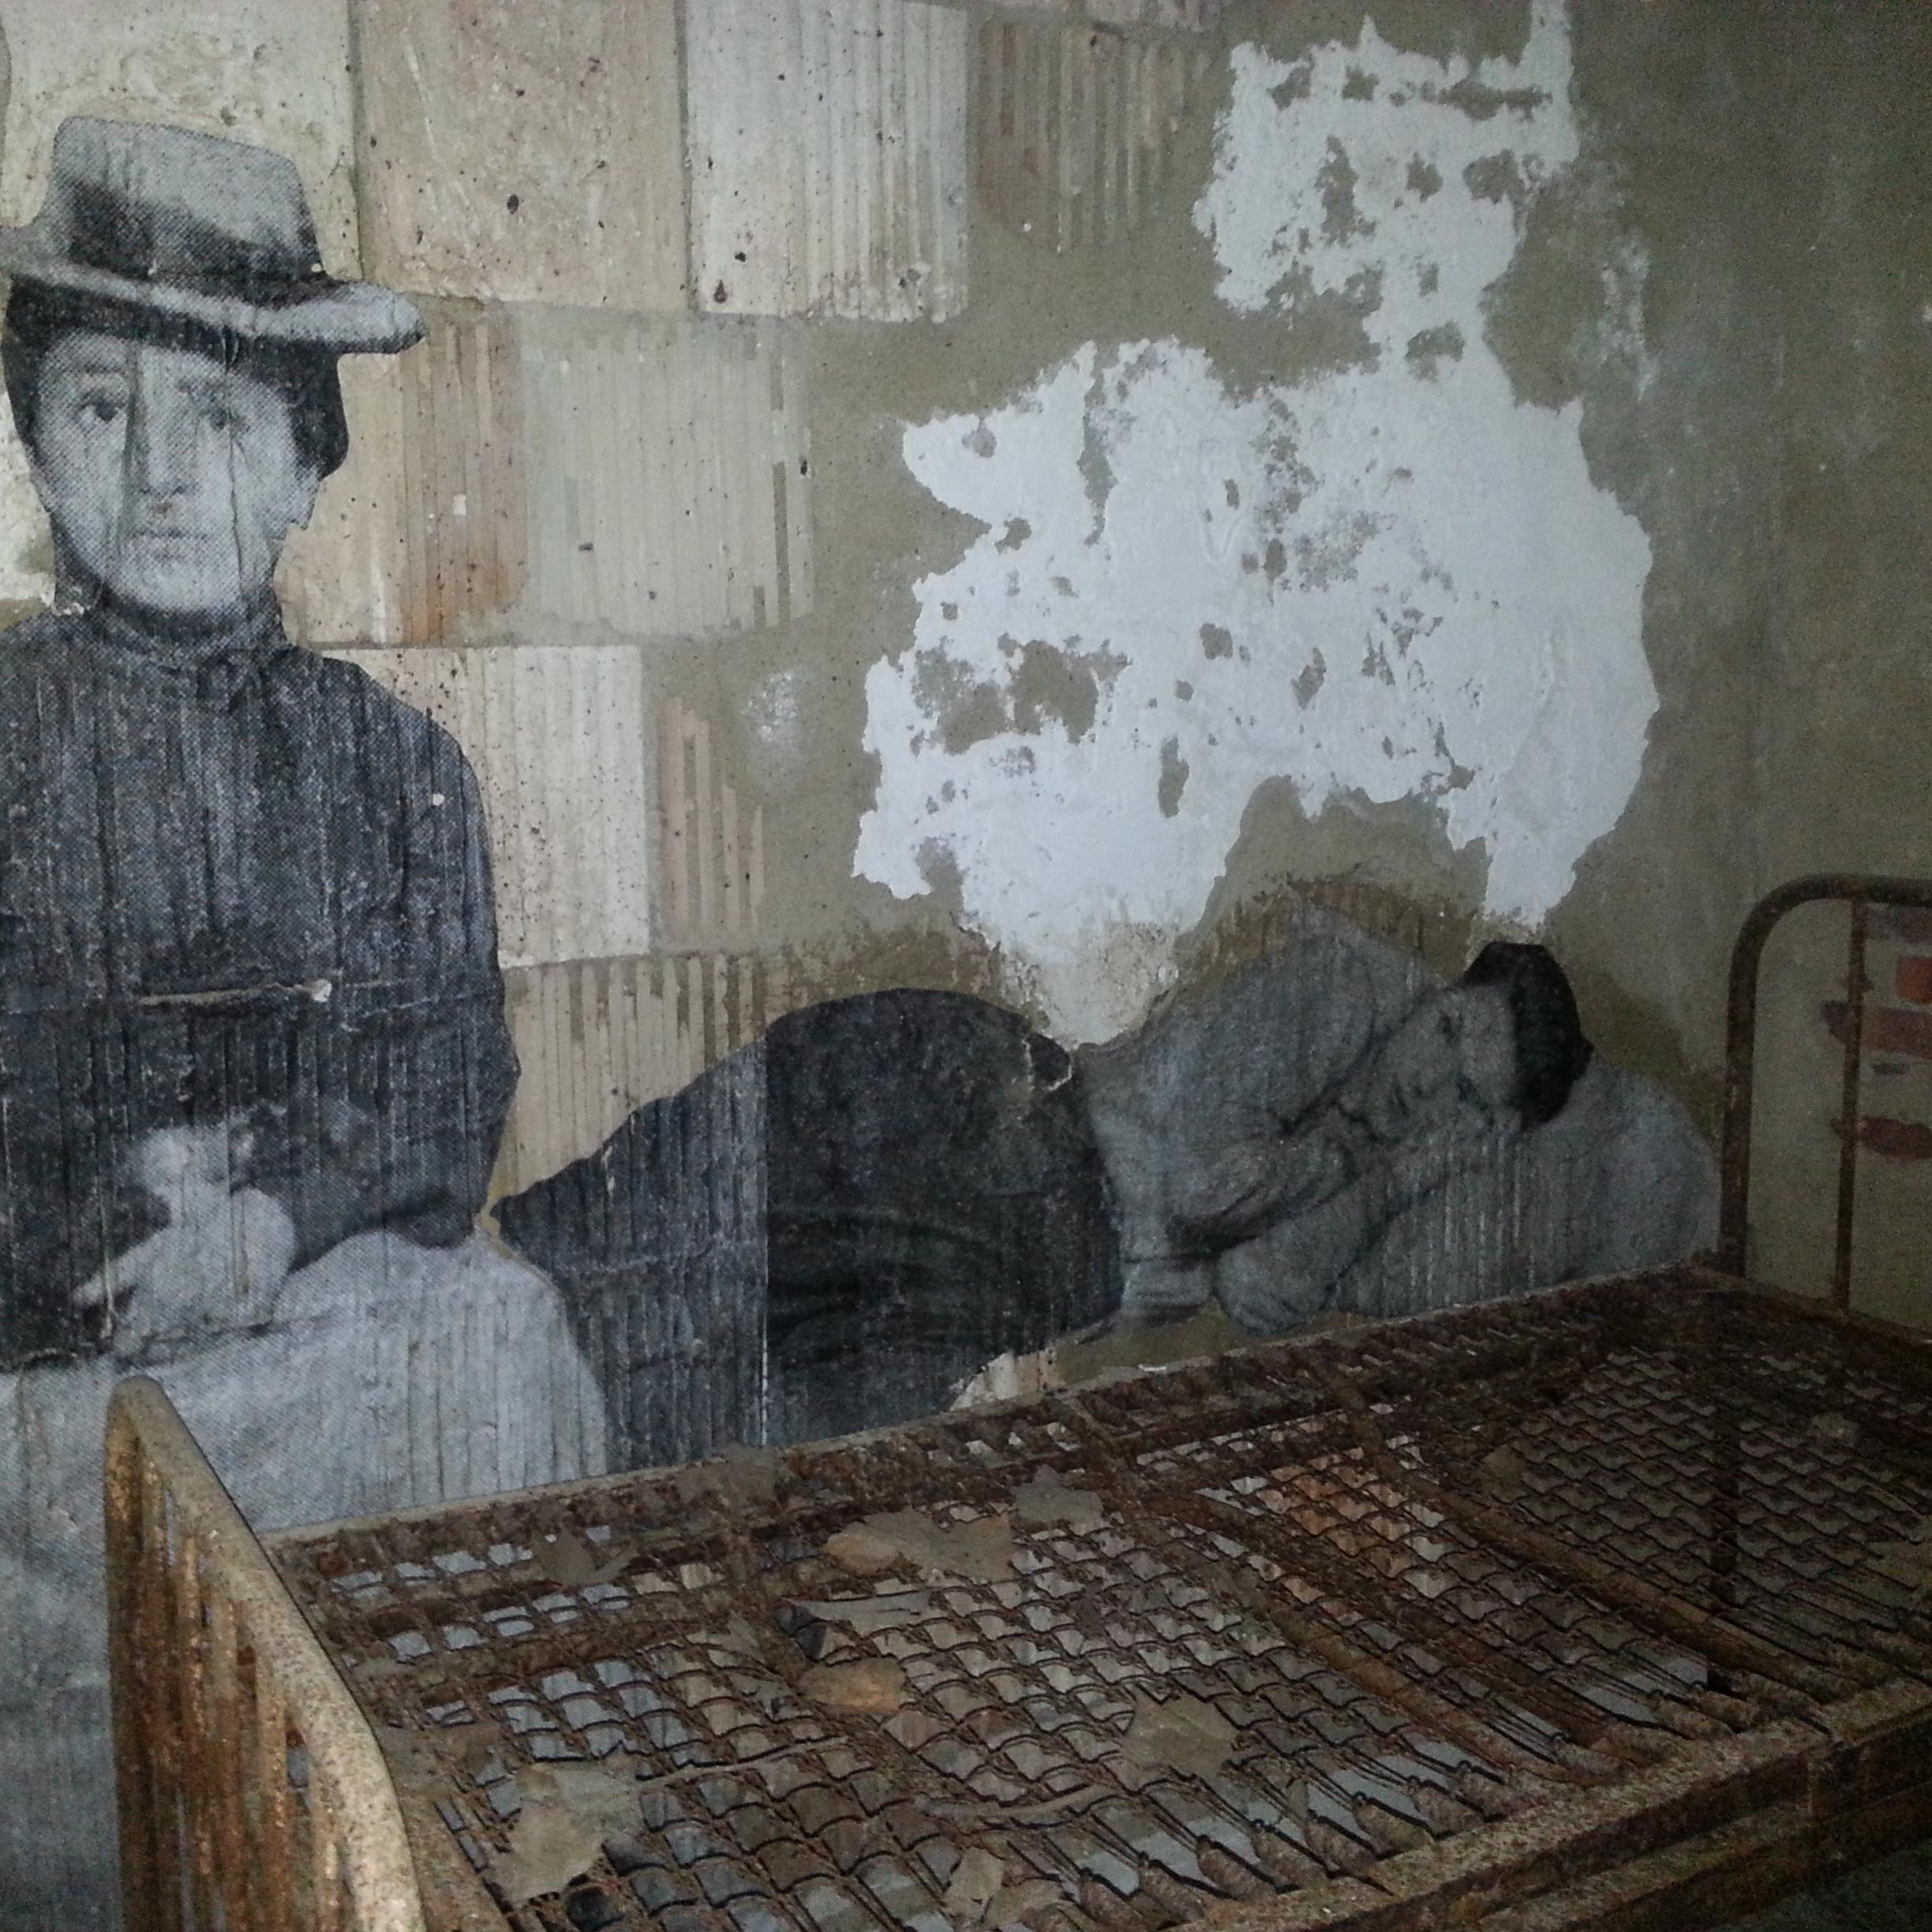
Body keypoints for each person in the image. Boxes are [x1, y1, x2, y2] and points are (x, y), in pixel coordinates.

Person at [0, 118, 605, 1930]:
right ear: (37, 438)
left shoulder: (388, 764)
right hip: (40, 1359)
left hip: (284, 1334)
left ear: (300, 469)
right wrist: (112, 1222)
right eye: (105, 405)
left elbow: (441, 1084)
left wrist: (267, 1219)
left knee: (494, 1330)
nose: (162, 471)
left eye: (221, 415)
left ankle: (477, 1845)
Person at [1081, 913, 1715, 1336]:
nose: (1426, 1078)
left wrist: (1396, 1180)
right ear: (1441, 995)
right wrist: (1348, 1165)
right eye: (1446, 1030)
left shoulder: (1406, 1161)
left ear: (1483, 1125)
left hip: (1080, 1270)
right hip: (1047, 1160)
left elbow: (1257, 1287)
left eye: (1463, 1089)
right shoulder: (1339, 990)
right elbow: (1203, 1192)